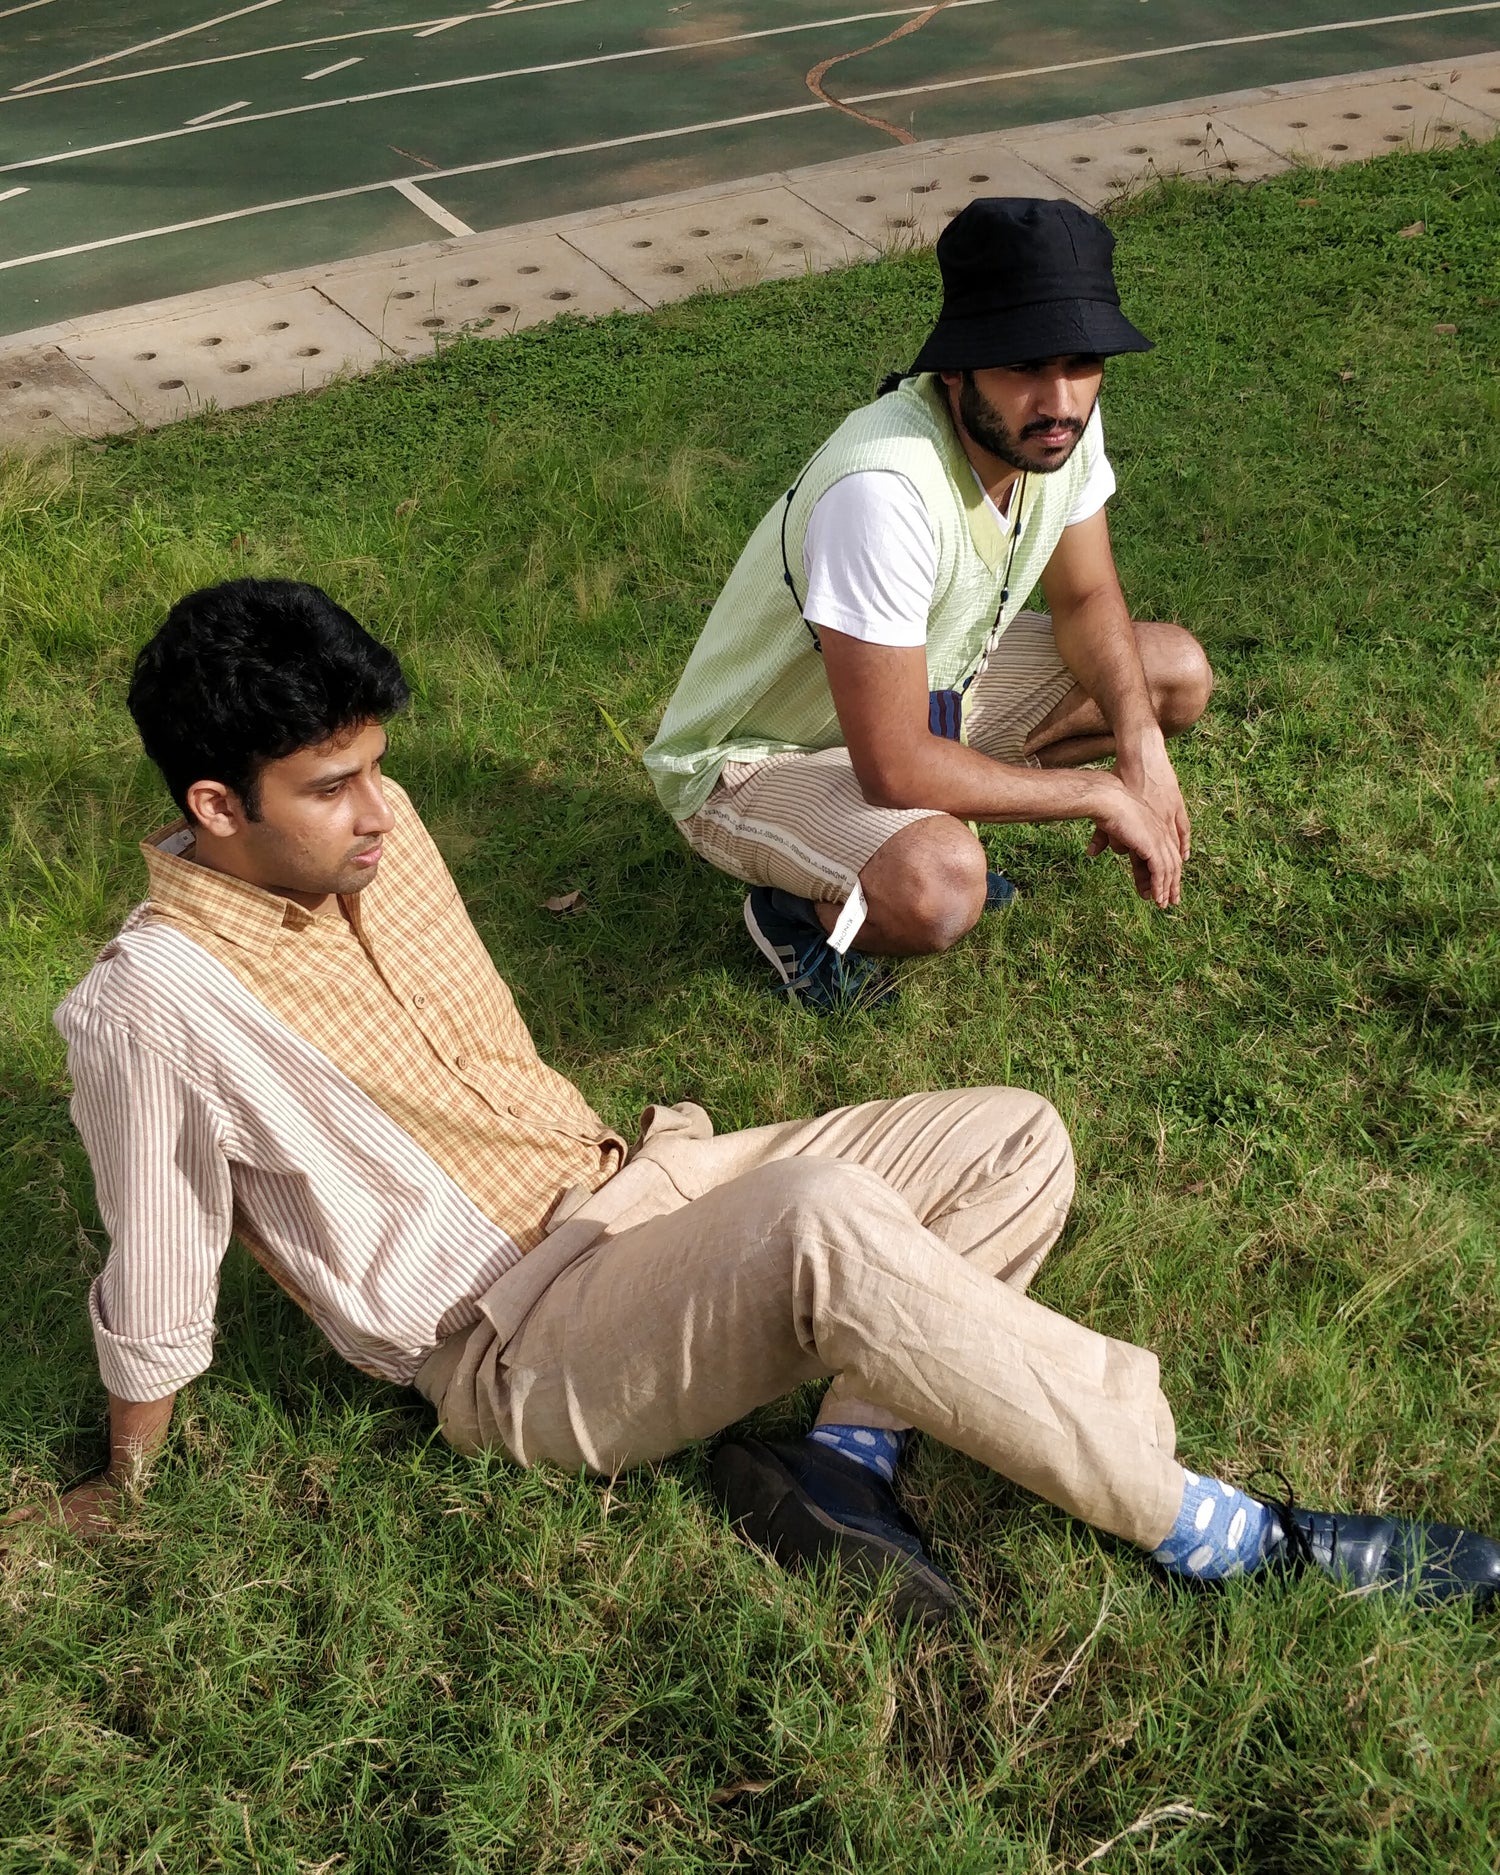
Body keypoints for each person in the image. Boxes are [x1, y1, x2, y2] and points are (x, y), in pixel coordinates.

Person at [10, 578, 1498, 1624]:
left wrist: (657, 1193)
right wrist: (126, 1478)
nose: (382, 811)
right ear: (217, 805)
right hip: (515, 1340)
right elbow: (155, 1255)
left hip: (635, 1182)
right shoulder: (150, 1003)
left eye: (380, 770)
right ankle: (1231, 1531)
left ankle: (841, 1462)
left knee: (1011, 1134)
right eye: (333, 784)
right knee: (824, 1217)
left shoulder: (371, 841)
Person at [644, 196, 1215, 1012]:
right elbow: (894, 766)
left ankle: (917, 829)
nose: (1060, 400)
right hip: (753, 760)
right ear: (956, 367)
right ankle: (793, 914)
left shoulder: (1059, 428)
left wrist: (1139, 745)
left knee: (1173, 676)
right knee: (941, 885)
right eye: (1023, 365)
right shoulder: (882, 488)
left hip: (920, 702)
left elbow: (1088, 594)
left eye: (1082, 360)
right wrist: (1095, 791)